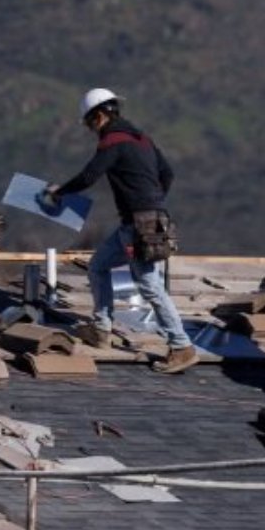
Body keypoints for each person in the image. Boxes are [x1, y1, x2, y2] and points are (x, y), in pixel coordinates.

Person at [43, 88, 199, 374]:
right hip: (147, 221)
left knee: (150, 286)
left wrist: (59, 192)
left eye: (90, 123)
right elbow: (168, 173)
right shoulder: (143, 139)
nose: (91, 130)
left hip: (139, 225)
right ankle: (101, 329)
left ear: (99, 116)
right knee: (98, 266)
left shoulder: (112, 141)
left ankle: (181, 346)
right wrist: (152, 201)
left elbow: (89, 176)